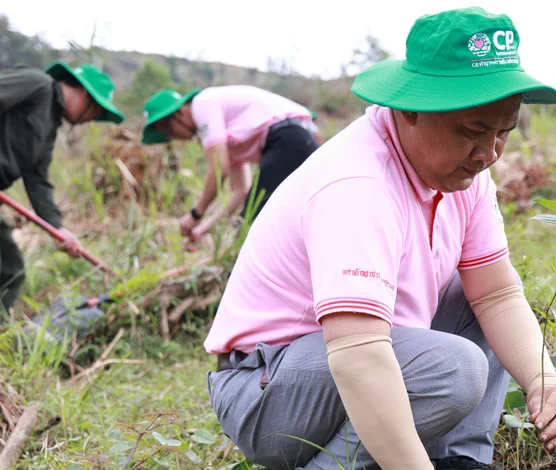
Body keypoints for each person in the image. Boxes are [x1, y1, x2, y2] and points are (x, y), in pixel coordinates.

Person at [202, 7, 556, 470]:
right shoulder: (358, 186)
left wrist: (544, 379)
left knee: (474, 302)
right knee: (453, 367)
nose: (489, 153)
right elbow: (357, 356)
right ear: (409, 111)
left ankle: (458, 466)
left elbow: (497, 292)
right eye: (473, 131)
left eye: (503, 132)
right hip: (267, 387)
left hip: (343, 361)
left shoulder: (465, 174)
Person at [0, 62, 124, 316]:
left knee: (10, 270)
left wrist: (58, 229)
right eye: (94, 112)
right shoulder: (37, 84)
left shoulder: (48, 129)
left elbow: (37, 182)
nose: (88, 120)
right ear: (85, 96)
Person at [140, 85, 319, 249]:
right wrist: (203, 228)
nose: (172, 137)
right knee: (255, 222)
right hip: (297, 142)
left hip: (290, 138)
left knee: (253, 226)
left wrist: (196, 214)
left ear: (177, 114)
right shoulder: (228, 133)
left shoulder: (202, 104)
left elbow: (219, 170)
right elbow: (240, 191)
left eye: (167, 130)